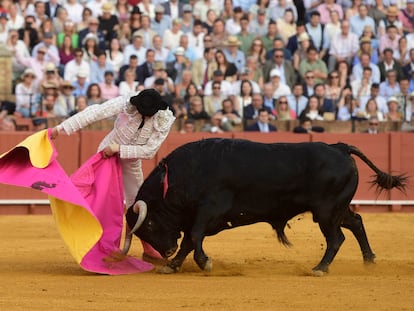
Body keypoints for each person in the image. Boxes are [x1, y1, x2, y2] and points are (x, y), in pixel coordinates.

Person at [51, 89, 176, 261]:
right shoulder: (126, 103)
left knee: (138, 203)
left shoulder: (163, 119)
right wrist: (62, 127)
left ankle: (148, 247)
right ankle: (98, 245)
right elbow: (96, 112)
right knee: (104, 202)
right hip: (105, 157)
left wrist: (119, 149)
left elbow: (149, 151)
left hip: (130, 161)